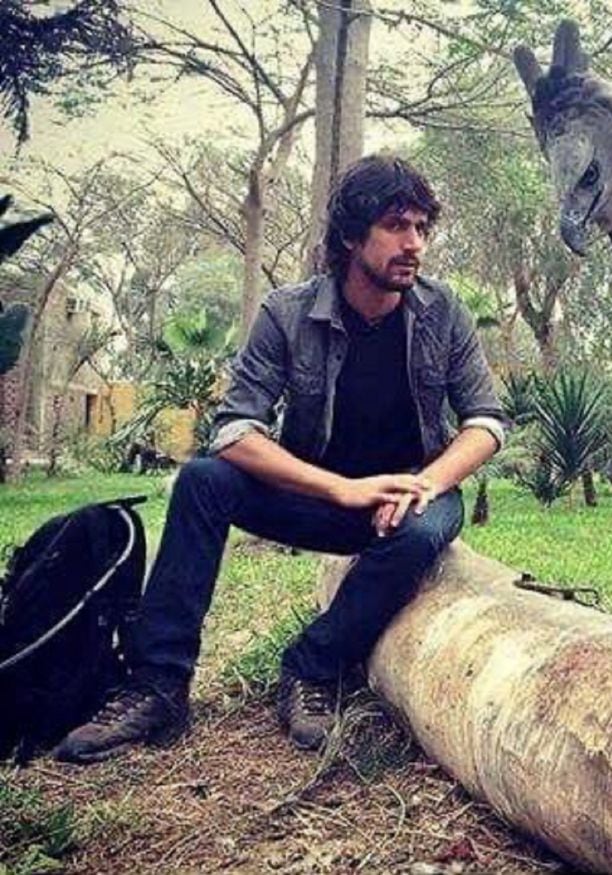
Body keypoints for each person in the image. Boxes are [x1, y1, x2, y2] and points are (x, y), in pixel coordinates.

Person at [55, 155, 508, 763]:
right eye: (397, 225)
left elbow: (486, 422)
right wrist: (341, 490)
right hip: (318, 497)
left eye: (422, 228)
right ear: (351, 235)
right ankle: (158, 684)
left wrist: (425, 484)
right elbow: (235, 430)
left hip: (408, 497)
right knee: (202, 481)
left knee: (422, 528)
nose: (414, 244)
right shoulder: (287, 313)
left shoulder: (442, 312)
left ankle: (311, 667)